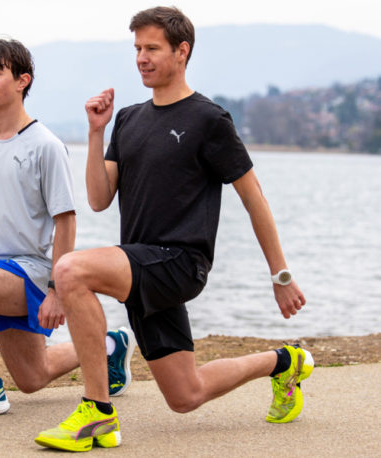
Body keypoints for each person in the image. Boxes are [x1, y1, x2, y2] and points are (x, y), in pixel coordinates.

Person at [35, 7, 313, 452]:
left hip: (181, 262)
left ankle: (98, 413)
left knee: (69, 270)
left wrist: (280, 276)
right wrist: (95, 132)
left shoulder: (209, 120)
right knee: (187, 395)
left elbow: (253, 196)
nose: (142, 58)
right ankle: (286, 362)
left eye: (152, 48)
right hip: (142, 263)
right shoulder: (127, 118)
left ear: (182, 52)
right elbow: (99, 197)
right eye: (137, 49)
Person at [0, 38, 135, 418]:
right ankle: (110, 346)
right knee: (33, 377)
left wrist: (56, 290)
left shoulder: (45, 145)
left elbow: (65, 222)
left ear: (22, 81)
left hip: (32, 273)